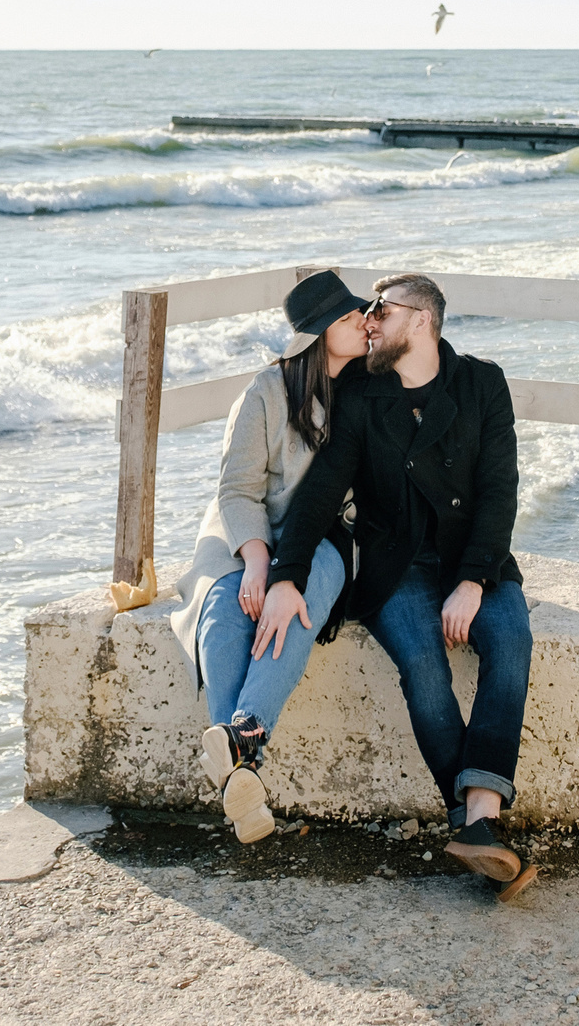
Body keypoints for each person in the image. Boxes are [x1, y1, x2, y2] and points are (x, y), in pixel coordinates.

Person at [261, 272, 537, 899]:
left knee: (511, 644)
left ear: (421, 320)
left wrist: (471, 580)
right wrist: (286, 577)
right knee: (423, 666)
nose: (370, 320)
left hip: (475, 558)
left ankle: (476, 826)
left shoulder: (481, 383)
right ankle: (481, 830)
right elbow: (320, 493)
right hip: (398, 565)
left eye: (383, 309)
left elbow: (500, 490)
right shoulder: (362, 394)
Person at [171, 269, 368, 844]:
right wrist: (256, 561)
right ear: (318, 332)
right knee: (225, 610)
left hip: (330, 537)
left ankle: (236, 751)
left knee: (296, 608)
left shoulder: (362, 388)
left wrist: (285, 573)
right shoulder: (265, 392)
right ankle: (244, 767)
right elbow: (236, 491)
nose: (362, 321)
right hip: (246, 531)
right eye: (349, 316)